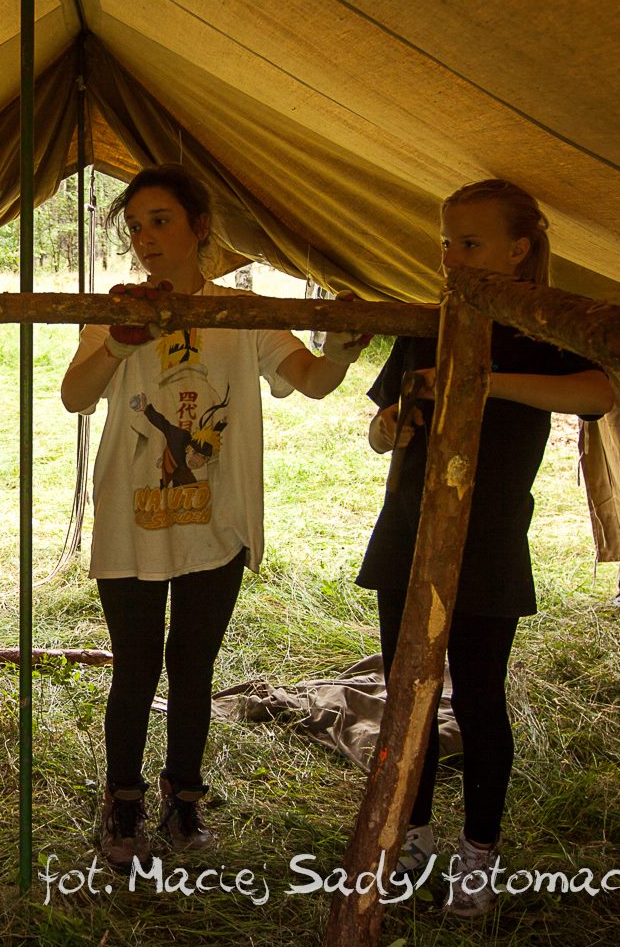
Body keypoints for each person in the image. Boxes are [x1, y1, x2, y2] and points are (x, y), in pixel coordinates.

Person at [60, 164, 368, 871]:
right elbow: (76, 396)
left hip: (214, 521)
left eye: (160, 220)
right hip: (133, 521)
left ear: (200, 227)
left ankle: (185, 797)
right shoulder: (116, 308)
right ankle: (123, 801)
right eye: (136, 227)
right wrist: (118, 340)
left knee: (193, 667)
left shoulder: (244, 314)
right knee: (136, 667)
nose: (145, 238)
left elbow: (312, 381)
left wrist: (340, 352)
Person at [356, 179, 615, 917]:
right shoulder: (426, 322)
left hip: (489, 540)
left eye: (469, 243)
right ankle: (413, 836)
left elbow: (598, 395)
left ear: (518, 250)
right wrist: (391, 426)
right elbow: (379, 427)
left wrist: (481, 382)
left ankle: (479, 855)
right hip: (408, 533)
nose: (452, 258)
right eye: (446, 243)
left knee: (477, 698)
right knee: (407, 693)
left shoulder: (542, 330)